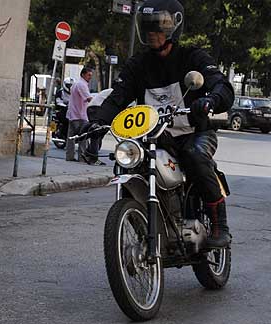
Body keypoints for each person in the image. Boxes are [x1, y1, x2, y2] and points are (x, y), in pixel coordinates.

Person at [83, 0, 235, 248]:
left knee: (195, 156)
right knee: (126, 164)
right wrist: (97, 124)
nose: (152, 33)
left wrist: (210, 100)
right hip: (155, 138)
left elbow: (222, 86)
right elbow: (118, 97)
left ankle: (220, 226)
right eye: (148, 27)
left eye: (158, 27)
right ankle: (142, 223)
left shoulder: (192, 57)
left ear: (174, 27)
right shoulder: (138, 65)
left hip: (194, 134)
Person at [66, 68, 93, 162]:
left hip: (73, 114)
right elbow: (89, 98)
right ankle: (82, 157)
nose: (90, 77)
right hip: (80, 115)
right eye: (89, 75)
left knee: (71, 137)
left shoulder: (76, 83)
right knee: (83, 137)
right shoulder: (82, 84)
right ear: (83, 75)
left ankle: (69, 156)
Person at [82, 88, 114, 166]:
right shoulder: (120, 92)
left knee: (100, 133)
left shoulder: (114, 90)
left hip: (95, 108)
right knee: (96, 133)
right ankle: (93, 159)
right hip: (96, 108)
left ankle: (88, 153)